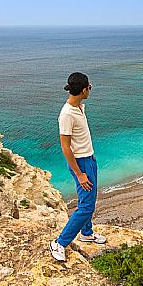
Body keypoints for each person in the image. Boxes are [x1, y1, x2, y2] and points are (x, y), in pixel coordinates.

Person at [49, 72, 107, 262]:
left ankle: (87, 233)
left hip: (89, 159)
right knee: (86, 206)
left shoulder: (80, 108)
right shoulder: (66, 114)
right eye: (89, 87)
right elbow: (65, 147)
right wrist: (80, 173)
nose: (90, 90)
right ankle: (59, 243)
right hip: (80, 163)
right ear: (83, 90)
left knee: (90, 201)